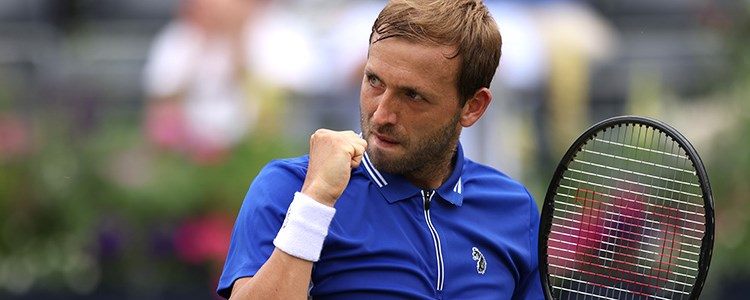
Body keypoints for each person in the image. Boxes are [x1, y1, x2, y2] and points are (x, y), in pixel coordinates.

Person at [217, 0, 543, 299]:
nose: (382, 114)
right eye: (374, 81)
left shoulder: (515, 209)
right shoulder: (290, 190)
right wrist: (316, 202)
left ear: (473, 106)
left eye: (413, 96)